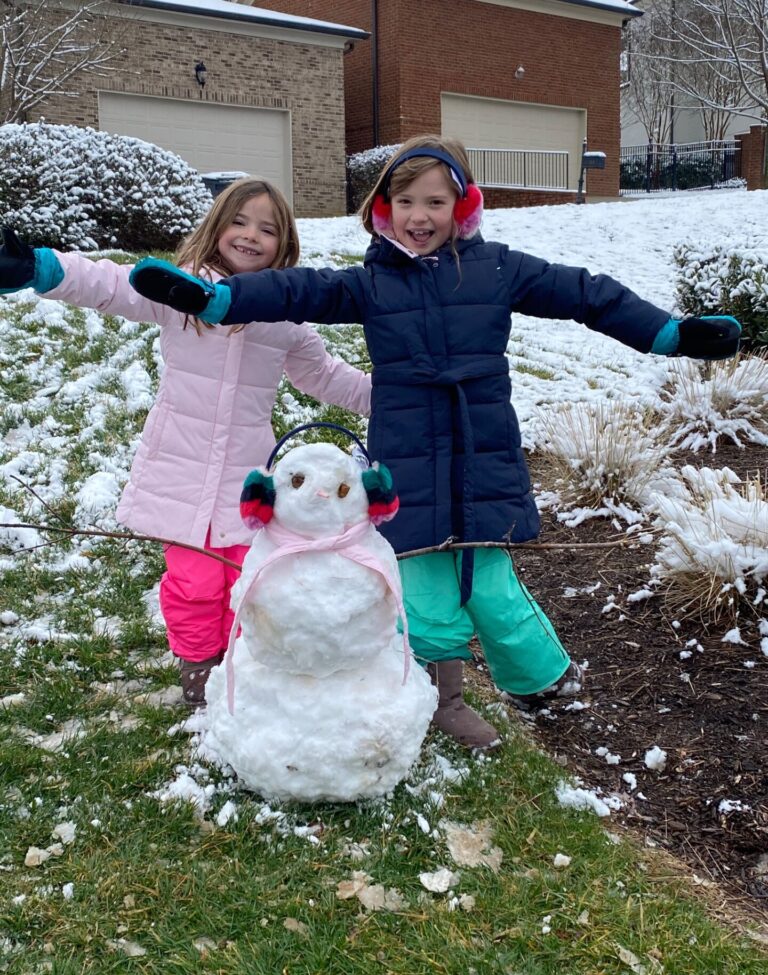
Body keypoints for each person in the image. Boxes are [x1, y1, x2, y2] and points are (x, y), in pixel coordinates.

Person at [127, 135, 741, 750]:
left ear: (462, 205)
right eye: (405, 202)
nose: (420, 217)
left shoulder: (500, 268)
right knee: (421, 589)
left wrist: (667, 333)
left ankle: (542, 682)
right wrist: (222, 300)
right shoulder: (371, 283)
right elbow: (297, 290)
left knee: (491, 585)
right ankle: (441, 698)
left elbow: (586, 293)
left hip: (483, 451)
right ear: (384, 209)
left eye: (435, 202)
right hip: (408, 454)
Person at [0, 178, 371, 705]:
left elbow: (327, 377)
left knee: (247, 580)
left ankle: (243, 663)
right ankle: (199, 667)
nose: (250, 236)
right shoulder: (178, 293)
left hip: (246, 473)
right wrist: (41, 268)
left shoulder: (283, 314)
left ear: (283, 244)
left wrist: (393, 397)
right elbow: (109, 283)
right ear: (217, 227)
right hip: (181, 465)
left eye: (267, 229)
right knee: (195, 581)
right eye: (239, 222)